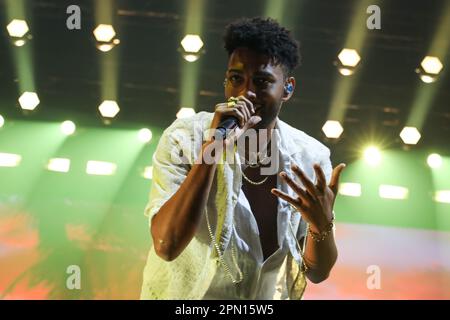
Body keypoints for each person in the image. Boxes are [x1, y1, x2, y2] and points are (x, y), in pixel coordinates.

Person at [140, 17, 345, 300]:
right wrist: (212, 150)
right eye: (236, 78)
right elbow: (167, 244)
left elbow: (317, 272)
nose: (245, 93)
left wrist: (322, 226)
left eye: (262, 82)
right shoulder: (185, 138)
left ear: (287, 88)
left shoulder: (311, 157)